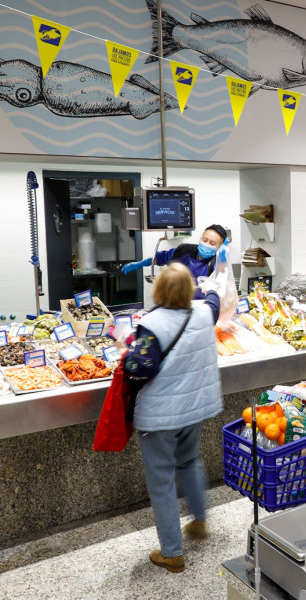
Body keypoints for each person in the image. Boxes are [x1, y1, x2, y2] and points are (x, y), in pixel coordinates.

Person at [123, 263, 223, 573]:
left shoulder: (151, 324)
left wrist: (126, 353)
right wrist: (208, 289)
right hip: (195, 409)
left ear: (159, 290)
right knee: (190, 460)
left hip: (161, 417)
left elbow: (140, 367)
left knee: (162, 481)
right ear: (189, 290)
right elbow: (214, 300)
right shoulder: (204, 312)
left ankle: (172, 552)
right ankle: (200, 521)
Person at [121, 224, 230, 281]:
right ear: (200, 238)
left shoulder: (217, 263)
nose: (206, 245)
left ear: (219, 247)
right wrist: (139, 264)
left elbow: (218, 285)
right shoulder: (184, 250)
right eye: (204, 240)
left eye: (212, 243)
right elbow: (160, 257)